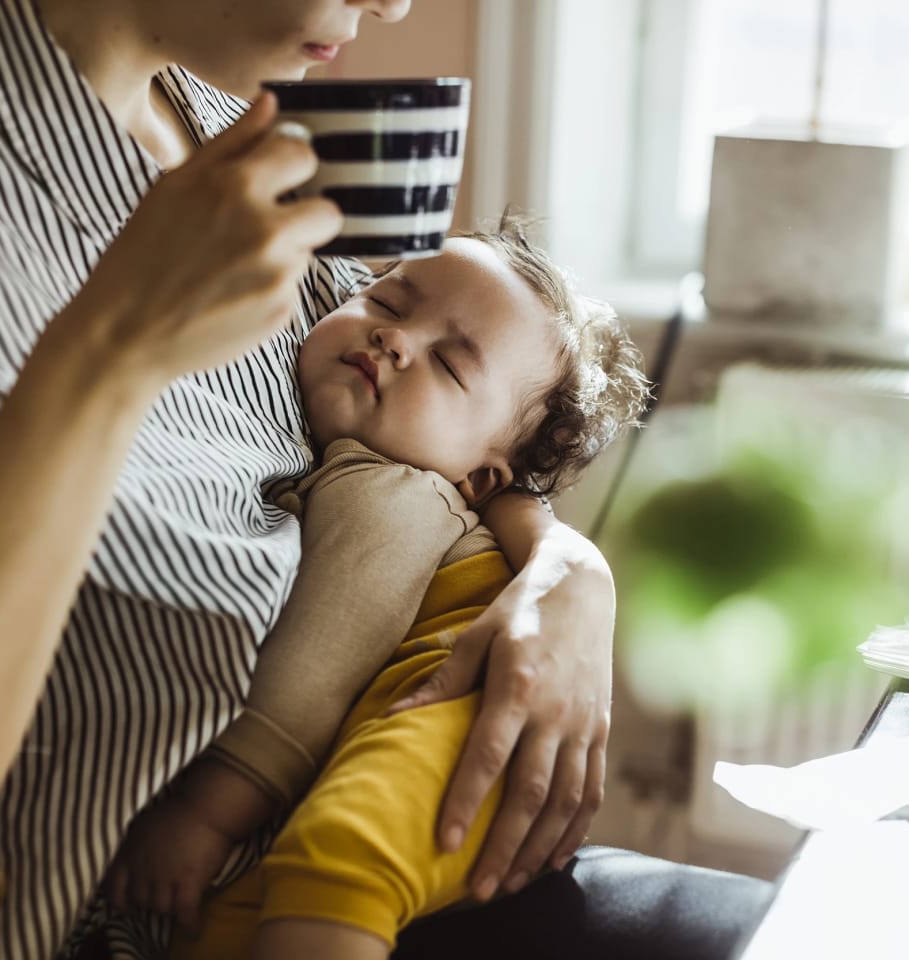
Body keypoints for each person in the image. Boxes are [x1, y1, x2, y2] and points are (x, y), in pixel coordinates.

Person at [0, 1, 771, 958]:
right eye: (391, 301)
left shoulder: (233, 124)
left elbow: (438, 431)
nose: (396, 7)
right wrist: (105, 356)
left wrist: (566, 572)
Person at [103, 219, 651, 960]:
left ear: (481, 478)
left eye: (450, 367)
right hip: (462, 743)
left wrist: (205, 816)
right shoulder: (353, 460)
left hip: (453, 722)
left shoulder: (398, 494)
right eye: (389, 303)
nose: (395, 340)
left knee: (330, 871)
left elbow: (318, 659)